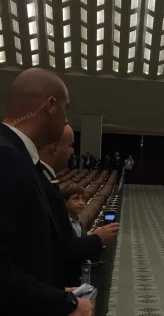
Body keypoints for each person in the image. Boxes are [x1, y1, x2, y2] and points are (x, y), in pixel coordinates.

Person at [0, 68, 93, 316]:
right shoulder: (7, 157)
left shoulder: (18, 157)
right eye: (66, 108)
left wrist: (55, 290)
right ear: (50, 105)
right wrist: (61, 302)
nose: (66, 119)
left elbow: (25, 253)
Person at [38, 124, 120, 286]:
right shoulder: (41, 183)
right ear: (54, 148)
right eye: (70, 146)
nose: (73, 152)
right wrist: (98, 238)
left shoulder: (47, 180)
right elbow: (62, 248)